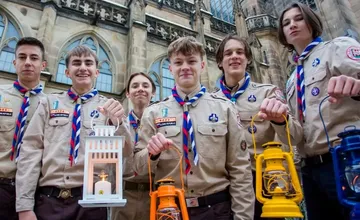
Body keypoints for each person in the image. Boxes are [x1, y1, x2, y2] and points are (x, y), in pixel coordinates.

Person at [133, 36, 254, 220]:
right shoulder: (153, 113)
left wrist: (243, 217)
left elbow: (240, 169)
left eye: (191, 61)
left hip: (216, 209)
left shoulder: (225, 108)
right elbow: (138, 169)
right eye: (178, 62)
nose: (185, 67)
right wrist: (151, 153)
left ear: (202, 65)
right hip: (169, 210)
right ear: (170, 67)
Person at [15, 45, 133, 220]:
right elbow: (30, 152)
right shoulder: (49, 103)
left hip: (91, 202)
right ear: (67, 72)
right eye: (76, 63)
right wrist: (24, 206)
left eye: (88, 63)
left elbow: (126, 151)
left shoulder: (110, 107)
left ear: (97, 72)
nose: (83, 67)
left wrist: (118, 122)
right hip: (48, 200)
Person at [278, 3, 360, 220]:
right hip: (311, 169)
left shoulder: (338, 47)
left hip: (347, 158)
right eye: (286, 23)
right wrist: (280, 120)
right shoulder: (292, 80)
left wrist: (357, 87)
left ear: (311, 23)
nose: (292, 25)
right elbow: (297, 134)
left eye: (298, 19)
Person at [213, 34, 303, 220]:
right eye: (228, 53)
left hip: (261, 180)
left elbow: (294, 138)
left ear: (248, 59)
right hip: (223, 184)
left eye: (240, 52)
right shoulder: (210, 101)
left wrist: (280, 118)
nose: (234, 56)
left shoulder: (268, 92)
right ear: (220, 62)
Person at [0, 37, 47, 220]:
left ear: (43, 65)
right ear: (14, 62)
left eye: (34, 58)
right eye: (22, 57)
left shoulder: (50, 105)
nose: (28, 62)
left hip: (35, 192)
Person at [111, 72, 156, 220]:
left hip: (154, 195)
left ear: (153, 93)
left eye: (145, 85)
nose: (140, 89)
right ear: (128, 94)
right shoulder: (117, 123)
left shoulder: (161, 124)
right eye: (135, 86)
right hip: (124, 197)